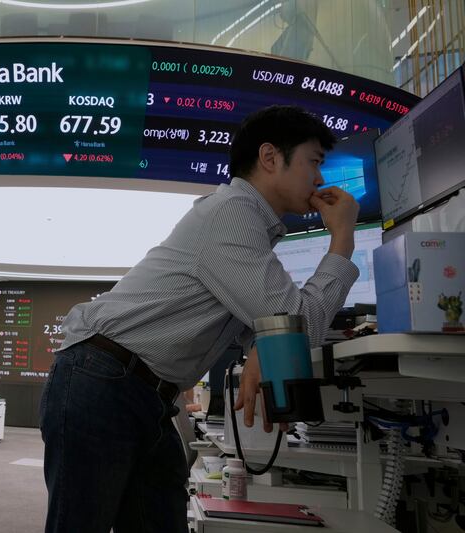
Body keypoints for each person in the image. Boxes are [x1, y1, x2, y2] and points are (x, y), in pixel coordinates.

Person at [39, 105, 360, 533]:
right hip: (104, 382)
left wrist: (261, 347)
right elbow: (299, 325)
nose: (320, 179)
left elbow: (273, 324)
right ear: (269, 157)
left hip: (138, 393)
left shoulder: (248, 225)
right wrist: (342, 239)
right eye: (314, 161)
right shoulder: (233, 213)